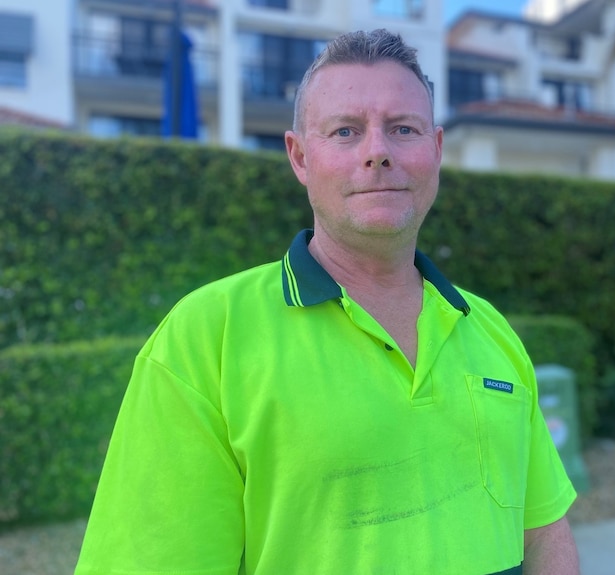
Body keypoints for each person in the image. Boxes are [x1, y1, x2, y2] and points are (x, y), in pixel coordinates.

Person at [75, 28, 580, 575]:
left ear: (435, 151)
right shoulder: (203, 338)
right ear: (299, 157)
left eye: (402, 129)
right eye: (345, 131)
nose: (378, 153)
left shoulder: (492, 332)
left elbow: (545, 533)